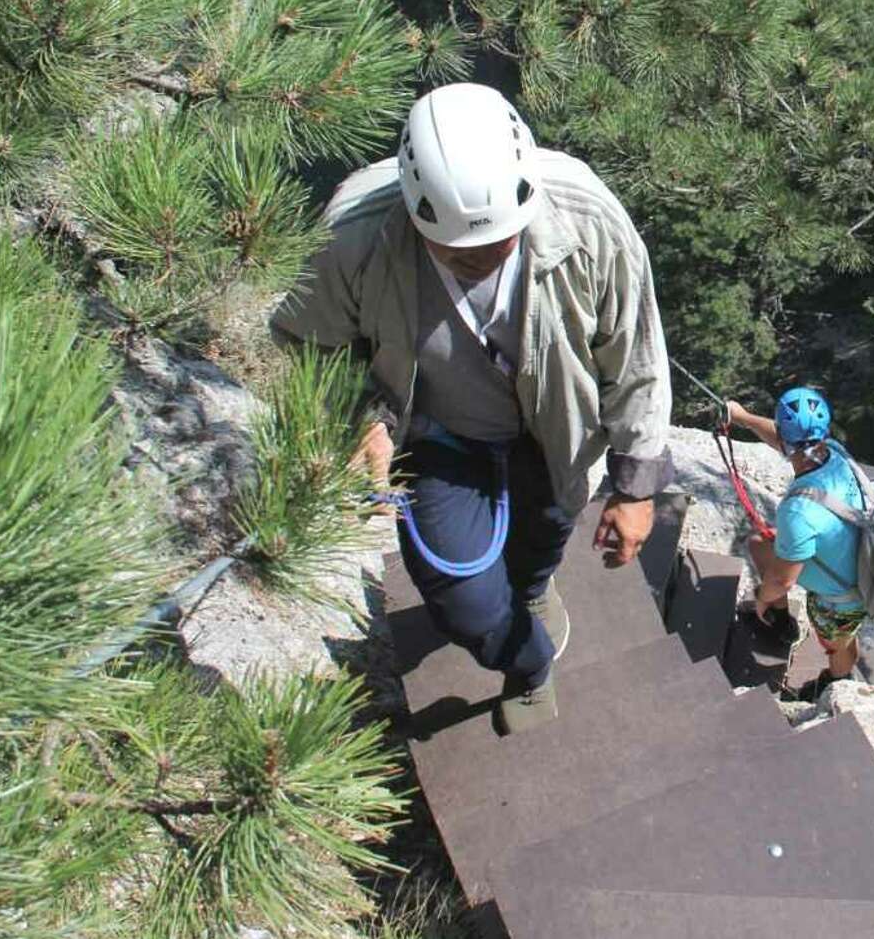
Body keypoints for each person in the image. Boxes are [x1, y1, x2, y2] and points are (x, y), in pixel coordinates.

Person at [270, 83, 672, 734]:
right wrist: (358, 419)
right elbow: (304, 342)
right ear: (416, 212)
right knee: (465, 603)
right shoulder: (358, 237)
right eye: (462, 252)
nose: (489, 257)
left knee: (540, 541)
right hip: (437, 434)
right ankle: (529, 659)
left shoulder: (589, 220)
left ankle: (536, 592)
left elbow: (636, 359)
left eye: (506, 240)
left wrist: (636, 484)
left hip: (554, 433)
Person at [724, 389, 865, 704]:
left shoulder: (799, 510)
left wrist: (762, 600)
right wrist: (742, 417)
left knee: (839, 645)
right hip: (849, 555)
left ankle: (836, 681)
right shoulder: (834, 452)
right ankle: (782, 622)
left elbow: (781, 580)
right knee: (761, 542)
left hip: (843, 597)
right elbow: (783, 439)